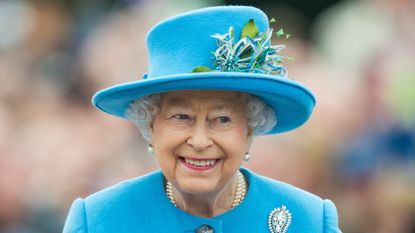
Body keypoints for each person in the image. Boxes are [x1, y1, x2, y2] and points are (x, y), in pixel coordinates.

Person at [63, 6, 341, 233]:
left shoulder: (310, 221)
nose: (198, 141)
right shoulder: (99, 220)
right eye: (181, 117)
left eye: (221, 119)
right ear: (150, 126)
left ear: (250, 129)